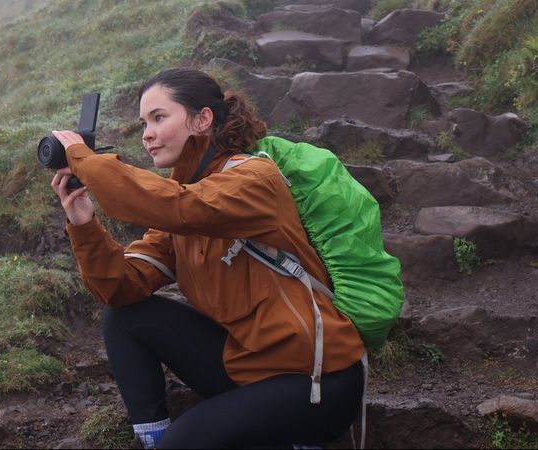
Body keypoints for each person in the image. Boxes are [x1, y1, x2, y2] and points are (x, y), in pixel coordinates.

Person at [50, 68, 365, 449]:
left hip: (316, 381)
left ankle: (293, 438)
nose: (147, 133)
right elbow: (120, 287)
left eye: (159, 117)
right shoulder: (179, 201)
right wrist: (83, 224)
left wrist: (83, 159)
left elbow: (184, 208)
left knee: (186, 442)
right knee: (124, 316)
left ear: (202, 120)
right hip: (247, 367)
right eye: (143, 123)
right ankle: (152, 440)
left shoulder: (252, 178)